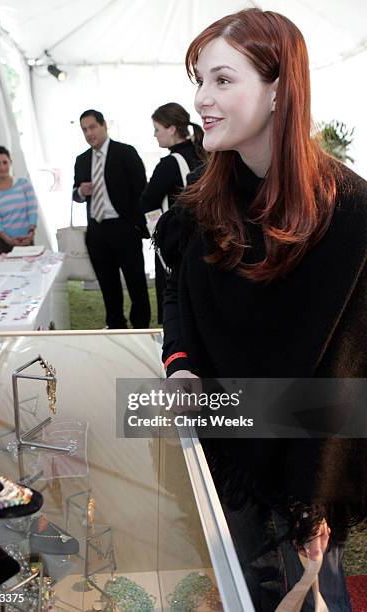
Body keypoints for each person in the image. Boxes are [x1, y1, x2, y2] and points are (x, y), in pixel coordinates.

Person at [155, 8, 367, 611]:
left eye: (223, 81)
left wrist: (316, 499)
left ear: (279, 90)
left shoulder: (350, 215)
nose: (201, 99)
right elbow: (175, 291)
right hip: (219, 441)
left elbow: (349, 369)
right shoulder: (203, 204)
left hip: (300, 476)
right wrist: (181, 364)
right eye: (199, 80)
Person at [73, 109, 150, 329]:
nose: (89, 133)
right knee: (107, 284)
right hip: (96, 230)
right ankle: (116, 324)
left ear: (104, 125)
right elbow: (74, 194)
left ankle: (141, 327)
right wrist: (80, 191)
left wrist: (136, 225)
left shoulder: (125, 152)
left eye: (92, 127)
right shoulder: (82, 160)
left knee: (136, 282)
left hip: (124, 227)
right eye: (84, 130)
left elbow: (141, 190)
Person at [140, 103, 205, 323]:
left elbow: (148, 203)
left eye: (157, 129)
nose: (155, 135)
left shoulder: (169, 164)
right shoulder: (204, 153)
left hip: (177, 244)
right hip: (205, 239)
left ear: (172, 129)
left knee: (174, 302)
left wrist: (159, 234)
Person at [0, 146, 38, 258]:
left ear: (10, 162)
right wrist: (8, 240)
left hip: (26, 241)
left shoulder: (24, 184)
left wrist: (31, 233)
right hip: (1, 244)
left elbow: (32, 210)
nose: (2, 167)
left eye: (5, 162)